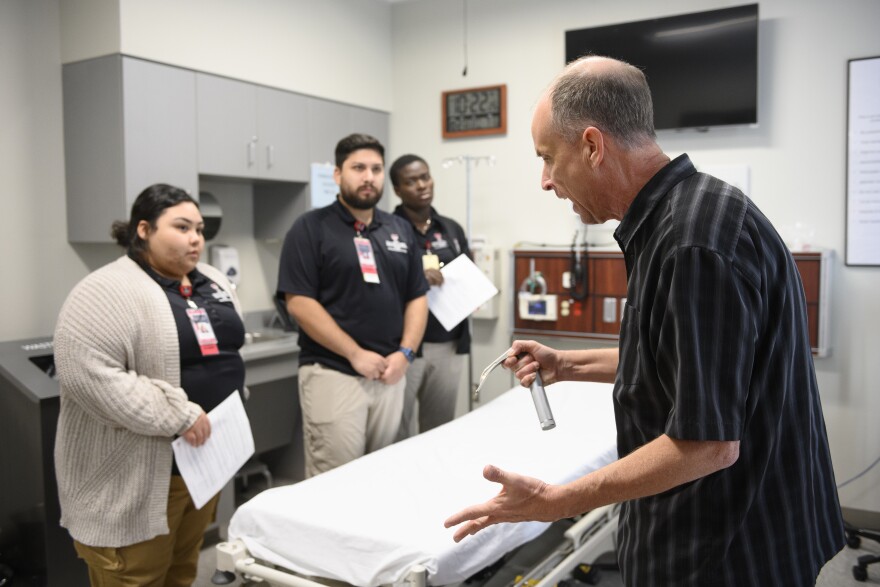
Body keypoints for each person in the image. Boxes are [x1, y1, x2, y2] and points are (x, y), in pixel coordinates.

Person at [444, 56, 845, 586]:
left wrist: (555, 501)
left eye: (548, 158)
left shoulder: (691, 244)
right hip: (739, 526)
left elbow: (706, 444)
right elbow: (682, 363)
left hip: (728, 550)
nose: (545, 180)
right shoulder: (688, 215)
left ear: (592, 145)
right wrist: (565, 363)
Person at [53, 183, 246, 586]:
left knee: (182, 571)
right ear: (143, 229)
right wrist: (180, 413)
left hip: (201, 467)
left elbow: (227, 352)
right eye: (181, 227)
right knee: (136, 577)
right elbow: (91, 378)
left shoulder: (211, 279)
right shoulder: (104, 291)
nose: (195, 238)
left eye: (200, 229)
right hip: (138, 479)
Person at [277, 133, 429, 478]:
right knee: (335, 481)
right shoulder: (310, 229)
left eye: (376, 168)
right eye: (358, 167)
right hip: (335, 373)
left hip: (390, 374)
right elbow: (299, 302)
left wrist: (405, 354)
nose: (368, 176)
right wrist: (354, 353)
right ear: (337, 175)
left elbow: (416, 296)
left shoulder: (399, 229)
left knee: (381, 476)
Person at [390, 154, 470, 439]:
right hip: (407, 347)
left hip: (448, 343)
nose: (422, 185)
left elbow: (467, 272)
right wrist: (416, 278)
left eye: (425, 176)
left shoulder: (450, 229)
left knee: (440, 429)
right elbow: (381, 284)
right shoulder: (389, 230)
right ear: (398, 190)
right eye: (411, 181)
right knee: (397, 430)